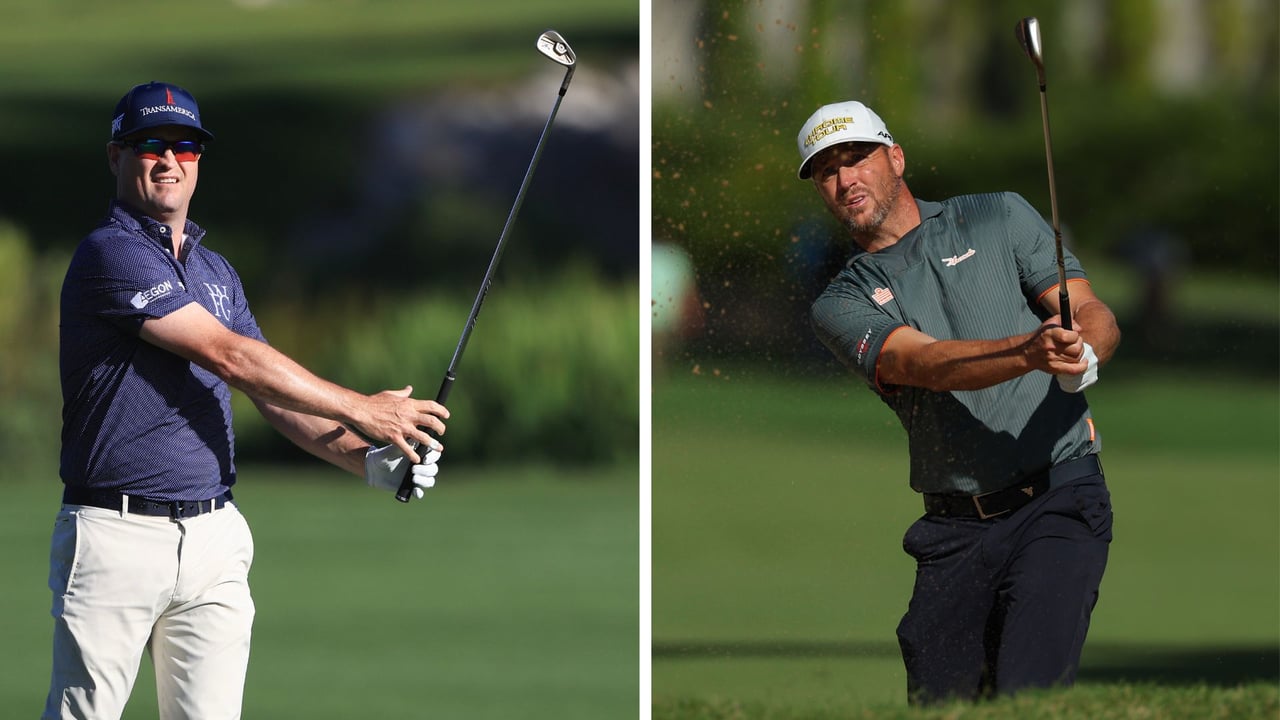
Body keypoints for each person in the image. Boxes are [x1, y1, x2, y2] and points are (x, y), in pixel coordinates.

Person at [46, 81, 450, 720]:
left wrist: (371, 460)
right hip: (116, 536)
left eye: (185, 147)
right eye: (149, 144)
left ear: (200, 162)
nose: (168, 159)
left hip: (213, 539)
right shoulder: (109, 254)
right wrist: (363, 409)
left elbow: (269, 394)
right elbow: (227, 356)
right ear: (115, 156)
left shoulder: (216, 273)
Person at [797, 101, 1121, 705]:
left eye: (857, 159)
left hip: (1058, 497)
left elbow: (1090, 311)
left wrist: (1086, 354)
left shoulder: (997, 216)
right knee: (942, 704)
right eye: (826, 172)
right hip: (953, 530)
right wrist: (1030, 352)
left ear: (894, 157)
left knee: (1029, 692)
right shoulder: (841, 303)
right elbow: (921, 363)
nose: (846, 181)